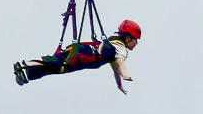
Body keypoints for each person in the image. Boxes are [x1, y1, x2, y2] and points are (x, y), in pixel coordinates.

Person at [13, 20, 141, 94]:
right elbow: (120, 63)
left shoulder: (113, 45)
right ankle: (25, 65)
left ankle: (26, 74)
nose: (136, 43)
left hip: (79, 50)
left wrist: (119, 84)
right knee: (56, 63)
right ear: (128, 38)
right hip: (80, 55)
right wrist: (125, 75)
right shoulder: (120, 49)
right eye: (136, 40)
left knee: (53, 68)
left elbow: (115, 68)